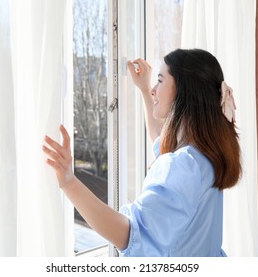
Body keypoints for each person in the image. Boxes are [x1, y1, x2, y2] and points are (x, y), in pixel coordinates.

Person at [42, 48, 241, 257]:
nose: (155, 89)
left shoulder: (183, 166)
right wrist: (144, 90)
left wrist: (68, 182)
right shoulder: (205, 153)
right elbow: (161, 143)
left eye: (161, 80)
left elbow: (129, 233)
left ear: (183, 91)